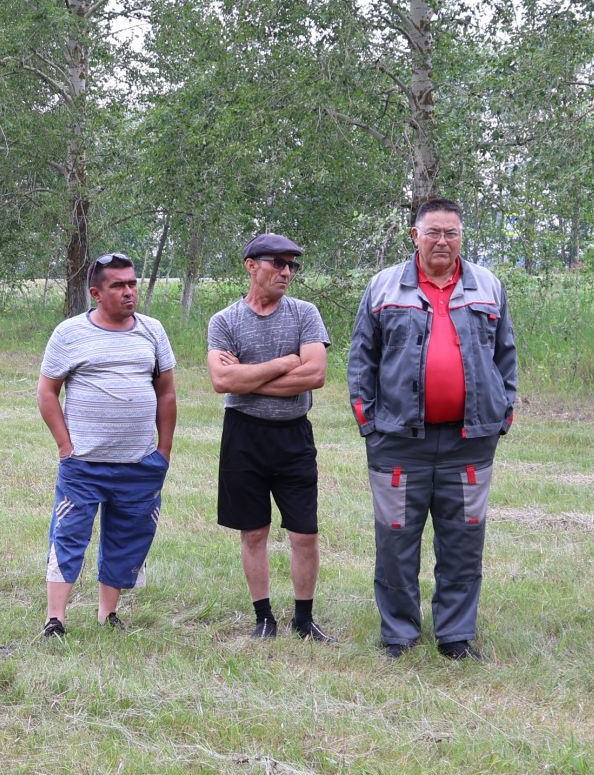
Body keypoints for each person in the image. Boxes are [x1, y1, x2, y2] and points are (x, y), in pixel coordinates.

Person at [346, 198, 517, 661]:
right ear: (414, 235)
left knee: (463, 539)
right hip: (398, 441)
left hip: (469, 442)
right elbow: (362, 357)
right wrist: (369, 421)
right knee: (396, 540)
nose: (443, 241)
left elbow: (506, 356)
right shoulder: (384, 287)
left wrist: (504, 413)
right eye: (434, 232)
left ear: (462, 237)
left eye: (452, 233)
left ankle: (456, 636)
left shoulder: (488, 286)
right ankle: (399, 634)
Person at [36, 252, 177, 636]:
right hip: (84, 463)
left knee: (128, 536)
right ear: (96, 292)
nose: (129, 292)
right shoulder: (70, 333)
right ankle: (55, 619)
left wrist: (163, 451)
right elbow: (48, 392)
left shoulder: (152, 331)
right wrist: (66, 446)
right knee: (69, 534)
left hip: (140, 462)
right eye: (118, 285)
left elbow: (166, 393)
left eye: (132, 283)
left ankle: (107, 614)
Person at [206, 232, 334, 642]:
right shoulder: (224, 321)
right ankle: (264, 619)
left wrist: (246, 377)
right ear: (251, 265)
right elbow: (221, 379)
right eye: (277, 263)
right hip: (244, 436)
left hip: (294, 436)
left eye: (292, 265)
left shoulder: (305, 314)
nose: (286, 272)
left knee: (304, 533)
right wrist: (284, 363)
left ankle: (303, 620)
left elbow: (314, 374)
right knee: (254, 531)